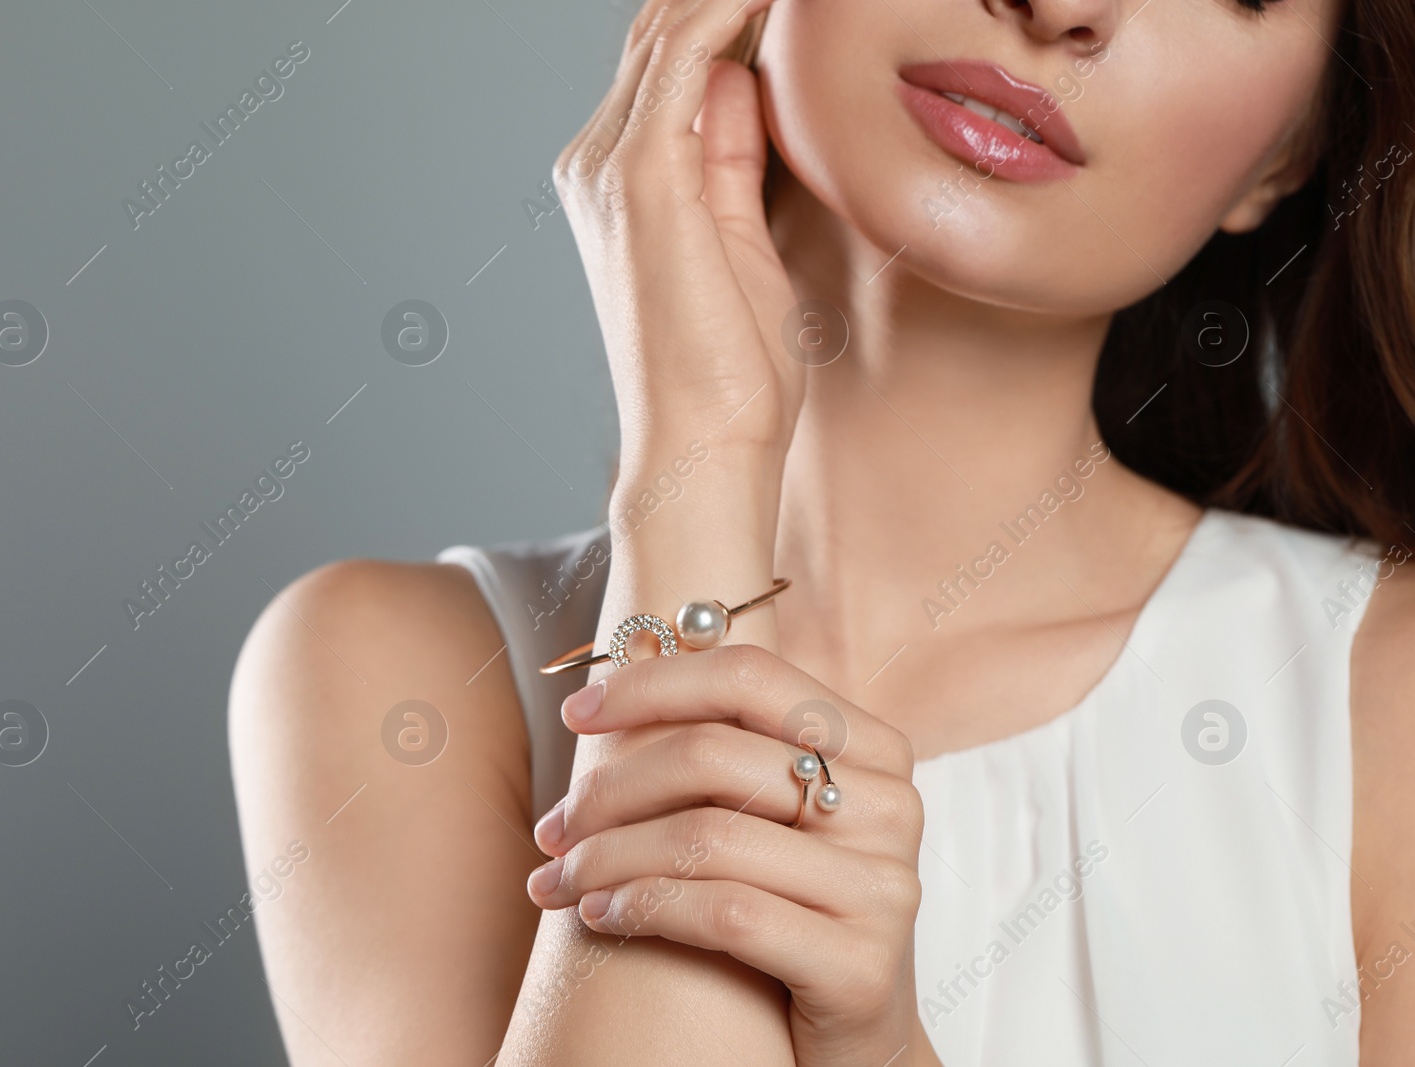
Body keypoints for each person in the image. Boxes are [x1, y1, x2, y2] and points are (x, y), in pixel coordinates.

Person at [229, 0, 1415, 1061]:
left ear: (1287, 155)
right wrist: (696, 470)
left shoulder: (1383, 689)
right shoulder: (397, 678)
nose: (1061, 8)